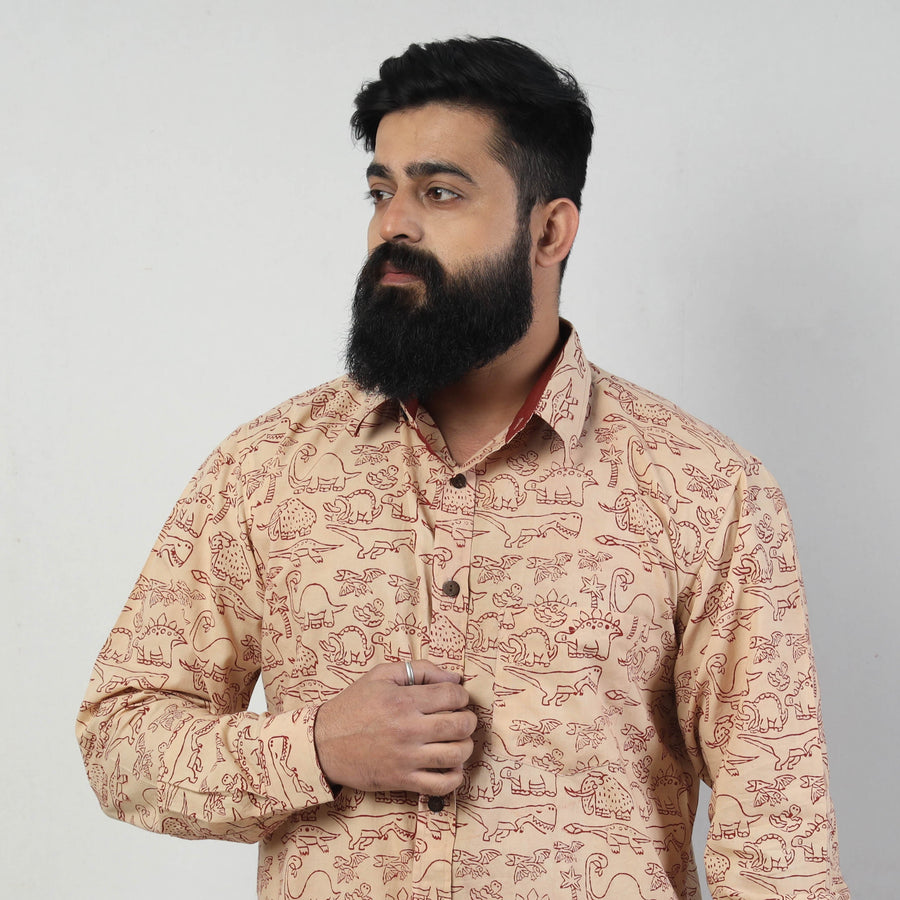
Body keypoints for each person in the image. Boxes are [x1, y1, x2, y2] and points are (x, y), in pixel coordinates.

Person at [77, 36, 850, 900]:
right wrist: (317, 747)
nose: (393, 225)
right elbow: (120, 740)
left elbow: (780, 846)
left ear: (549, 230)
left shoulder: (705, 489)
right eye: (382, 190)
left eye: (439, 192)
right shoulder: (266, 469)